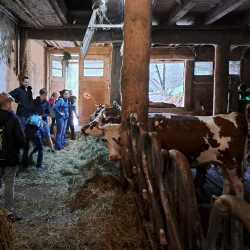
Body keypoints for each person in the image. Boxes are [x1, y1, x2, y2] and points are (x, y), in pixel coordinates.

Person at [0, 92, 25, 219]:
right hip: (10, 157)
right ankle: (8, 212)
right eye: (10, 102)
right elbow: (21, 140)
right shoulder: (13, 119)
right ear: (8, 103)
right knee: (9, 184)